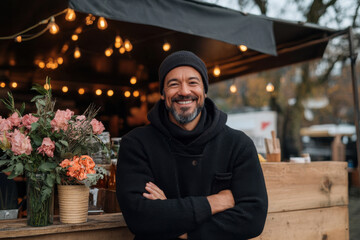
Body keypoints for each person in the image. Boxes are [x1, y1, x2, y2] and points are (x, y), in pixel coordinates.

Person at [116, 50, 268, 240]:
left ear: (204, 90)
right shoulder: (136, 144)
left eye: (193, 82)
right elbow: (139, 217)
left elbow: (252, 219)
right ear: (163, 93)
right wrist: (215, 202)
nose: (184, 91)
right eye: (173, 84)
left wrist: (178, 226)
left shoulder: (238, 144)